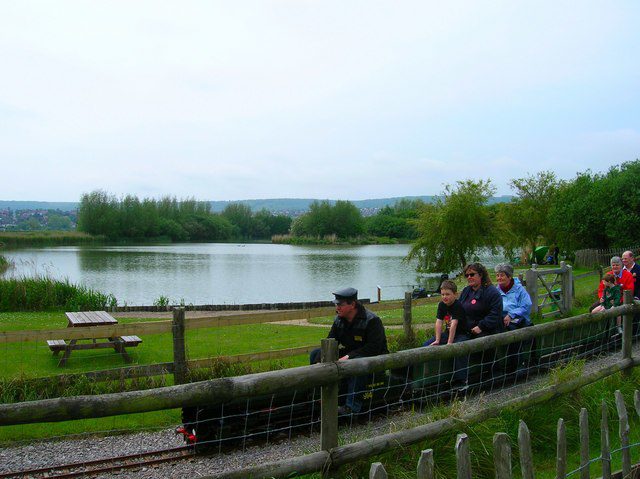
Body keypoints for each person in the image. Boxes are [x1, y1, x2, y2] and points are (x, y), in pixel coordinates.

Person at [309, 287, 388, 415]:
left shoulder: (372, 320)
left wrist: (348, 357)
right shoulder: (339, 320)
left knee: (356, 363)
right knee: (315, 354)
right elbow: (331, 340)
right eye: (336, 304)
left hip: (373, 358)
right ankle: (320, 397)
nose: (337, 307)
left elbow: (374, 348)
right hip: (351, 355)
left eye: (340, 304)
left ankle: (351, 407)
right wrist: (320, 360)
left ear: (352, 304)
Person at [422, 280, 469, 384]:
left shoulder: (458, 305)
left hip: (460, 334)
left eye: (447, 294)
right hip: (447, 334)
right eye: (442, 294)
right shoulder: (442, 305)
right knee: (426, 345)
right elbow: (439, 322)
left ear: (455, 295)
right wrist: (438, 340)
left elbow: (454, 324)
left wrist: (449, 343)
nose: (444, 297)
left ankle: (462, 379)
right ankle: (430, 376)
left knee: (457, 349)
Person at [459, 263, 504, 337]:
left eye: (472, 274)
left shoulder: (492, 292)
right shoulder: (466, 291)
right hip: (466, 329)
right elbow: (458, 308)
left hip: (486, 331)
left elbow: (495, 314)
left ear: (481, 275)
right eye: (467, 275)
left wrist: (481, 326)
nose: (469, 277)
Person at [494, 263, 532, 331]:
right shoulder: (495, 291)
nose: (499, 278)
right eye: (497, 275)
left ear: (509, 276)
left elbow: (526, 306)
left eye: (502, 275)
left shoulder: (519, 290)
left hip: (518, 320)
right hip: (500, 319)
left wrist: (511, 315)